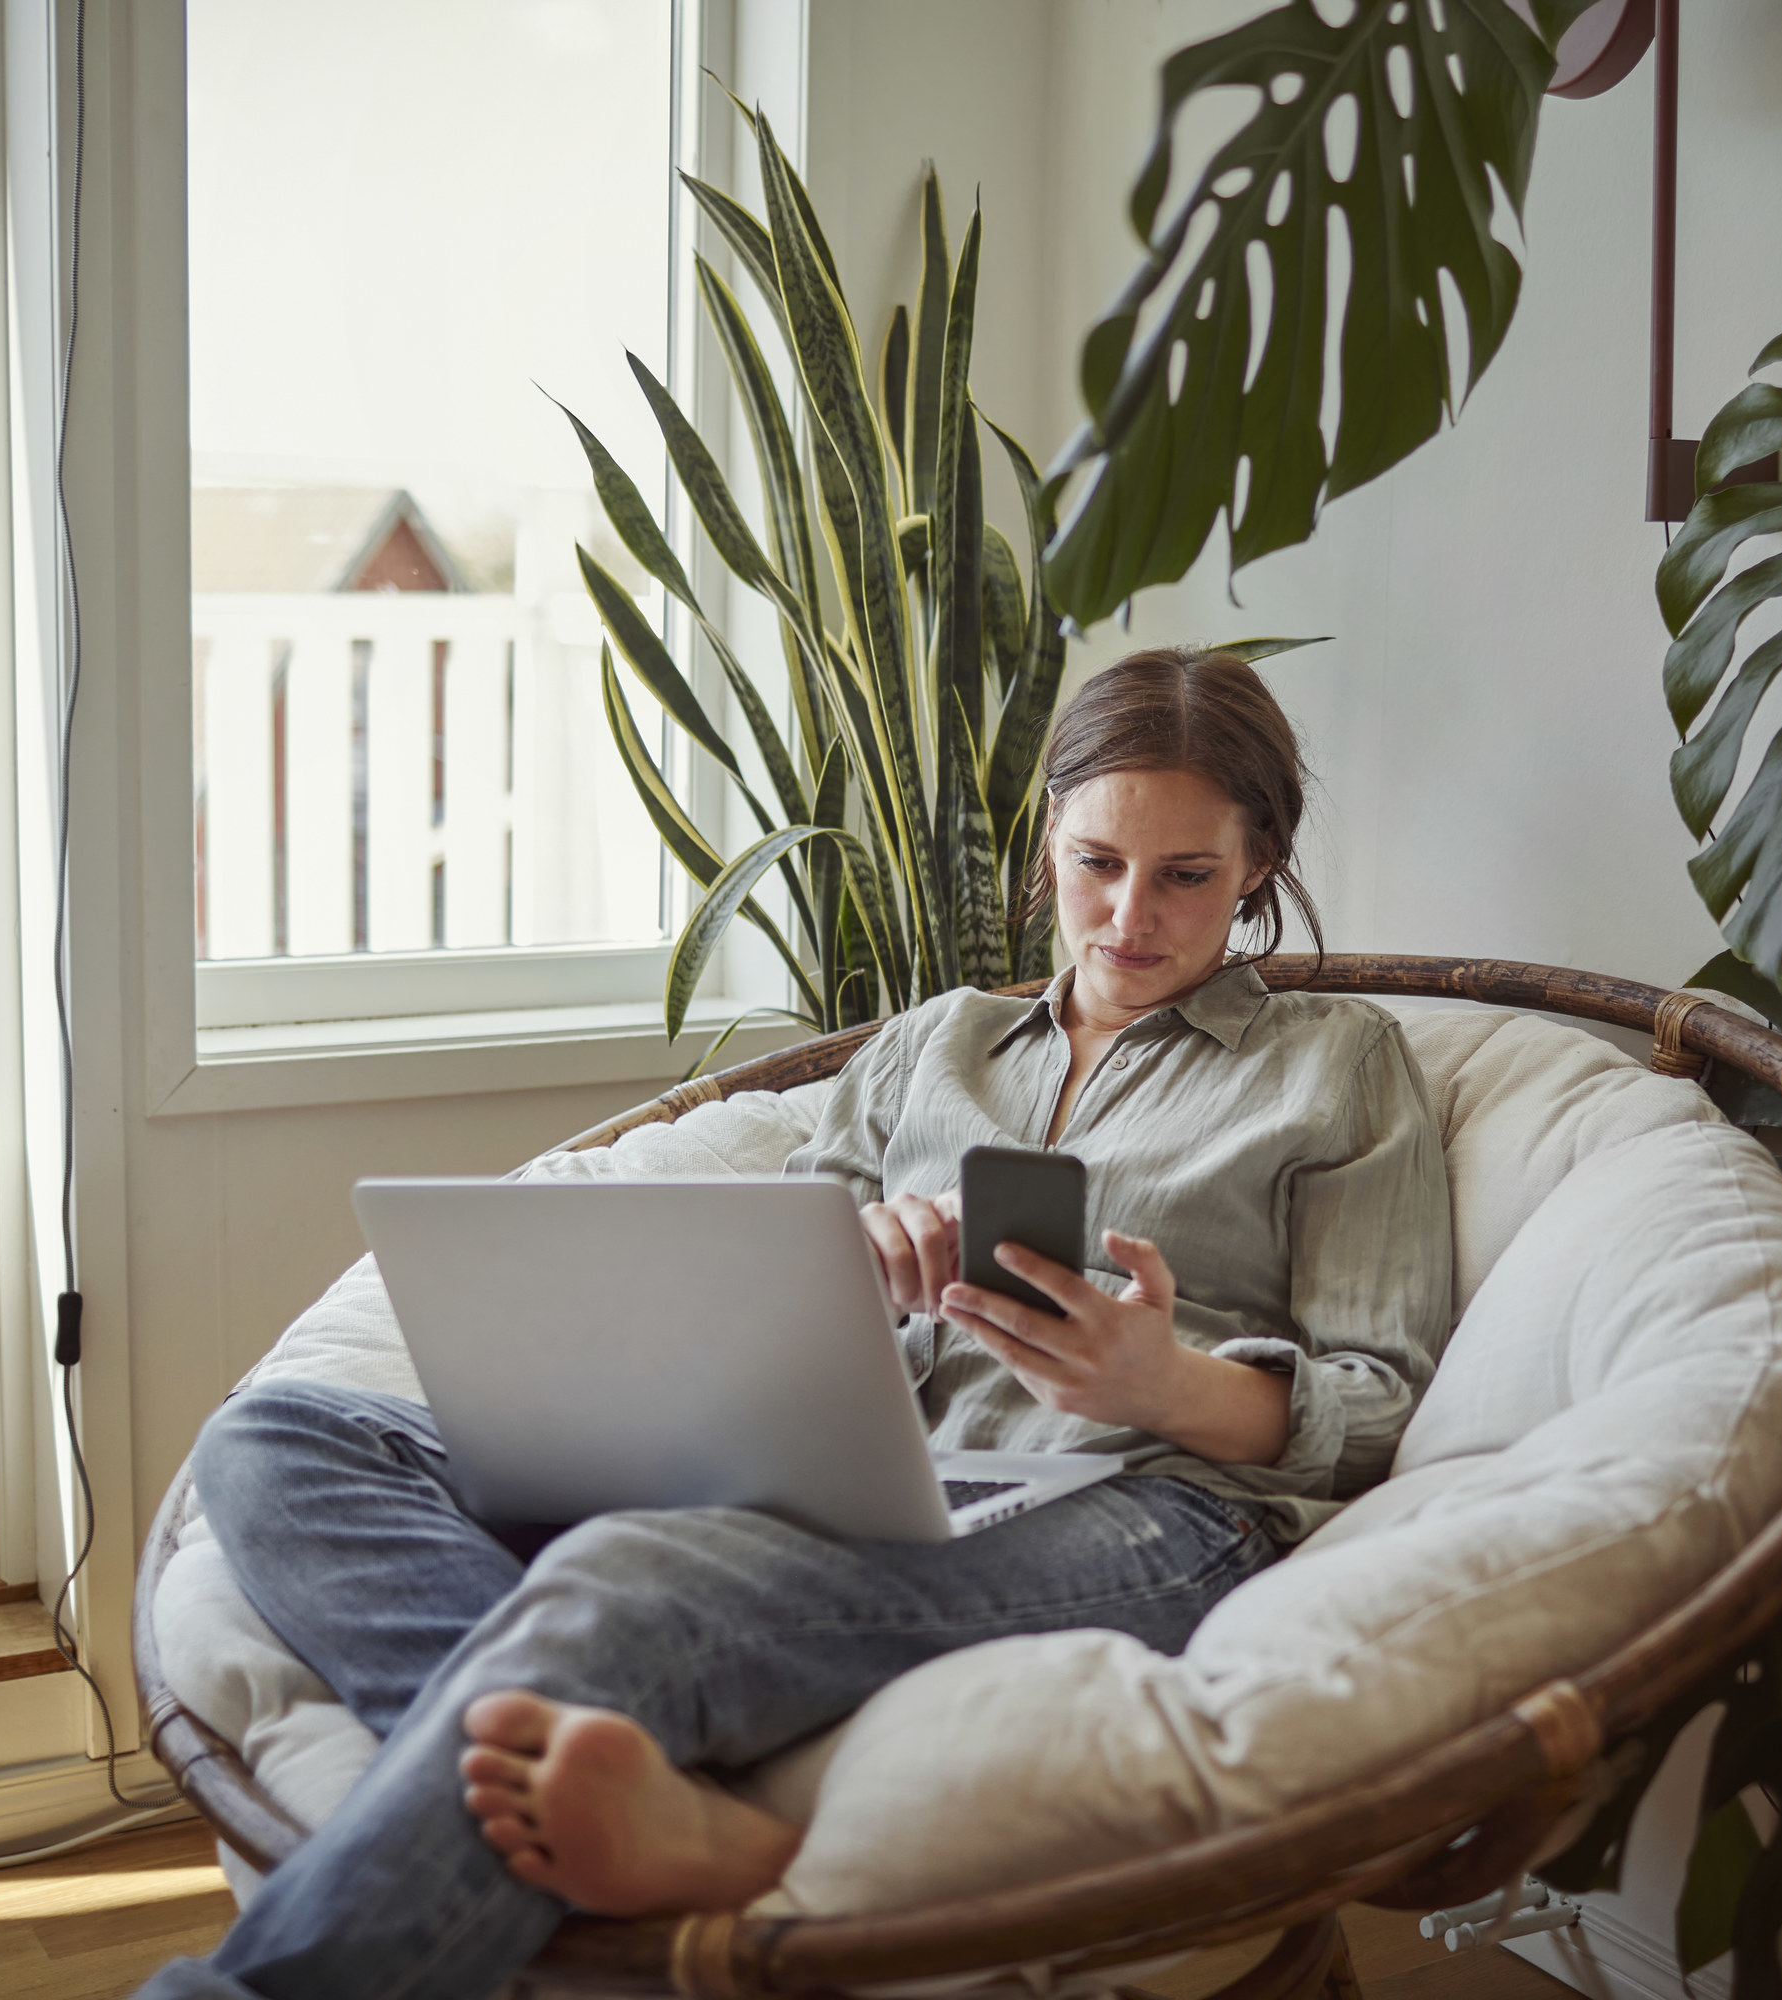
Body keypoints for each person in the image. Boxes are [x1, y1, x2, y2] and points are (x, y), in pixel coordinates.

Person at [136, 647, 1454, 1999]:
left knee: (630, 1586)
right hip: (869, 1480)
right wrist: (857, 1287)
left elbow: (1378, 1395)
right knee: (279, 1437)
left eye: (1186, 875)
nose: (1129, 917)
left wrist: (1166, 1382)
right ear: (1048, 836)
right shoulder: (927, 1047)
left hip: (1152, 1509)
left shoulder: (1338, 1065)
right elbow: (761, 1311)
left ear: (1257, 863)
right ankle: (653, 1778)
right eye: (1096, 862)